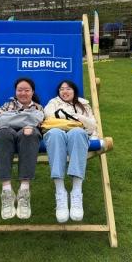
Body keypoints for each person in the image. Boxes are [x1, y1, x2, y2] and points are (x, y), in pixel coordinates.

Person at [43, 80, 113, 223]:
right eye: (61, 89)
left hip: (78, 136)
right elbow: (49, 116)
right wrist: (80, 120)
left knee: (77, 133)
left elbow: (92, 125)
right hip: (57, 133)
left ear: (74, 91)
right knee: (55, 134)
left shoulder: (84, 105)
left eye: (68, 88)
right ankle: (60, 192)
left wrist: (73, 119)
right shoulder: (53, 102)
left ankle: (76, 192)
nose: (65, 91)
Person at [0, 77, 44, 220]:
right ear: (15, 91)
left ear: (32, 92)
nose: (23, 93)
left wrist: (13, 118)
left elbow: (39, 122)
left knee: (30, 134)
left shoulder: (38, 107)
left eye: (27, 90)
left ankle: (24, 191)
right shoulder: (7, 104)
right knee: (2, 135)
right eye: (20, 90)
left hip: (27, 135)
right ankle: (7, 192)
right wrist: (27, 118)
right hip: (7, 134)